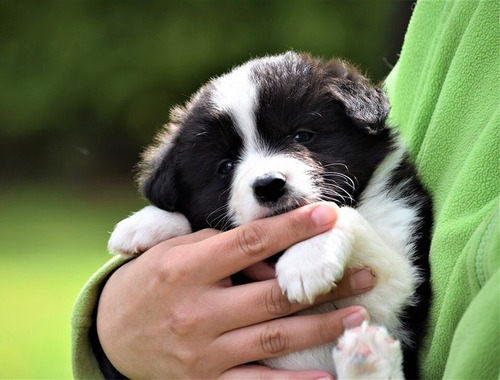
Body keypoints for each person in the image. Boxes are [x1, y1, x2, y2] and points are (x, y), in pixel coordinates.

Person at [72, 0, 499, 378]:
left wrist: (339, 230)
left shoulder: (385, 198)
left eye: (302, 136)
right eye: (226, 165)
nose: (265, 175)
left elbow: (396, 300)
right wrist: (173, 227)